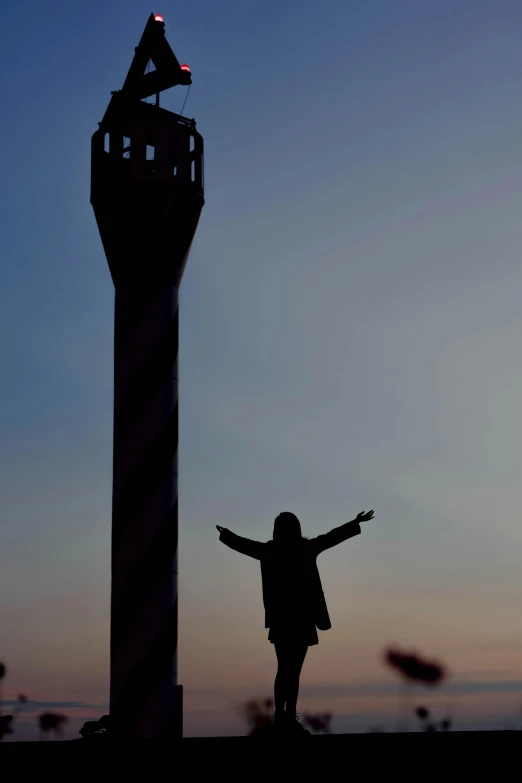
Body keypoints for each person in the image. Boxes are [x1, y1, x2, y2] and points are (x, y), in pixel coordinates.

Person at [216, 508, 375, 734]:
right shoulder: (305, 549)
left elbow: (245, 545)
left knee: (284, 669)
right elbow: (331, 538)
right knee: (293, 670)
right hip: (301, 619)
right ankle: (287, 716)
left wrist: (226, 534)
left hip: (282, 620)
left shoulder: (270, 551)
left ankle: (282, 716)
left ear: (277, 529)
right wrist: (354, 522)